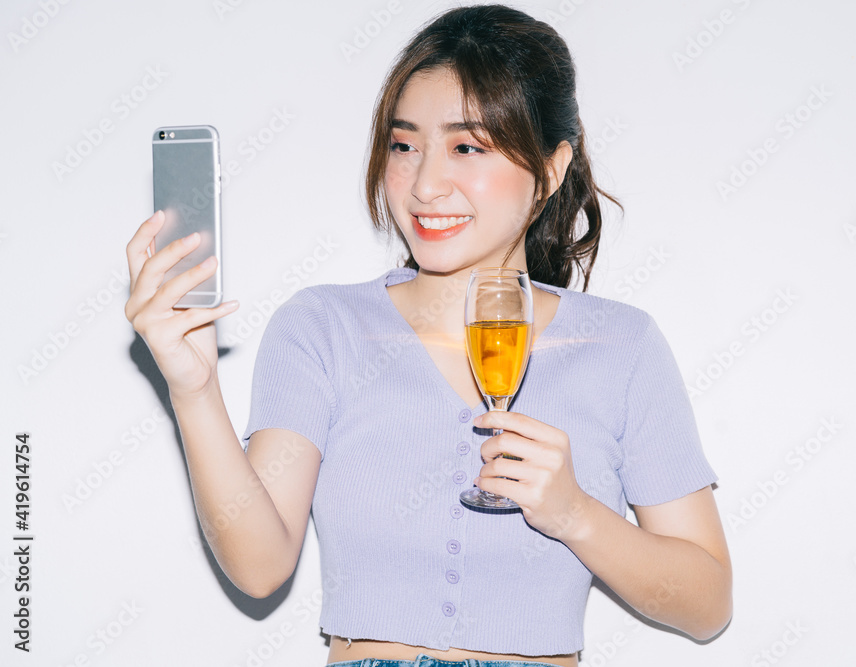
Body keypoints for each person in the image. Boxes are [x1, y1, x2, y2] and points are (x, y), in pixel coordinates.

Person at [125, 5, 732, 666]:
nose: (424, 184)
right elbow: (260, 565)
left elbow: (707, 603)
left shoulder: (621, 346)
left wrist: (576, 514)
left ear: (552, 168)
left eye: (466, 147)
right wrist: (193, 388)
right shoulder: (323, 327)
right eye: (404, 144)